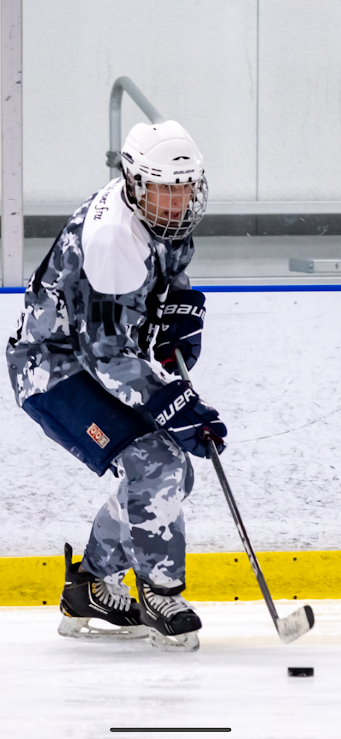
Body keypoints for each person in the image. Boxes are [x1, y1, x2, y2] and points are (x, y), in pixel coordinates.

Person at [6, 120, 227, 652]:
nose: (175, 204)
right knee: (158, 464)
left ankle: (90, 588)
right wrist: (175, 402)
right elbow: (108, 356)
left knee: (168, 478)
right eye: (162, 190)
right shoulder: (111, 239)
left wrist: (177, 314)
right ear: (132, 181)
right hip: (51, 366)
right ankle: (158, 592)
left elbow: (167, 279)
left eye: (184, 190)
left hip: (90, 356)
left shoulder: (164, 214)